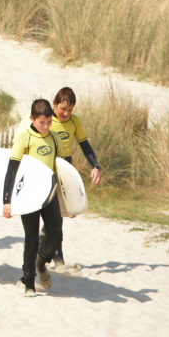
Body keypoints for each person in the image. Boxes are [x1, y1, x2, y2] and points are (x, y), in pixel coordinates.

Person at [3, 98, 61, 297]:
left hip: (49, 194)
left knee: (56, 233)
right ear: (32, 119)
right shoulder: (24, 138)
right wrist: (7, 200)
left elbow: (59, 168)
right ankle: (28, 281)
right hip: (28, 194)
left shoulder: (53, 138)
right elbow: (12, 169)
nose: (45, 126)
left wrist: (67, 199)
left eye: (49, 122)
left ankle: (40, 262)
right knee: (31, 238)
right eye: (41, 122)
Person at [45, 87, 102, 270]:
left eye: (70, 110)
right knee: (50, 215)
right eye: (63, 109)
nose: (66, 113)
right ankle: (52, 255)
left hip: (65, 168)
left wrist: (95, 166)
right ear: (54, 104)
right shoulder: (46, 119)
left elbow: (85, 145)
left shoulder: (74, 121)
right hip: (48, 167)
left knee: (60, 215)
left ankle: (56, 256)